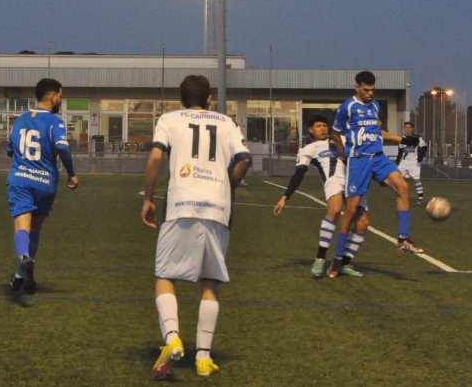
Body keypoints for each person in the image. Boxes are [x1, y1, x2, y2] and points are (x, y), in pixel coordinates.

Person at [141, 75, 251, 380]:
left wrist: (148, 198)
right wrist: (227, 187)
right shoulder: (226, 123)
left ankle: (173, 337)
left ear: (180, 99)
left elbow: (154, 157)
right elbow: (244, 160)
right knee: (210, 279)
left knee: (165, 275)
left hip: (180, 204)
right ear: (209, 99)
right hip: (218, 207)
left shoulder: (169, 119)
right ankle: (203, 357)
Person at [327, 71, 424, 278]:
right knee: (351, 211)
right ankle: (336, 260)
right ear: (357, 87)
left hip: (378, 157)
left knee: (403, 187)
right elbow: (335, 134)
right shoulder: (348, 107)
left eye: (372, 89)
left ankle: (403, 239)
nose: (370, 93)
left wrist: (402, 140)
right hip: (358, 160)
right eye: (366, 89)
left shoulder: (375, 106)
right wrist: (343, 155)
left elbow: (379, 132)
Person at [6, 78, 79, 295]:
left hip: (20, 180)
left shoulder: (21, 119)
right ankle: (21, 273)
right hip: (45, 183)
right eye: (60, 95)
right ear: (52, 95)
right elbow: (63, 148)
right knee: (35, 229)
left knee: (22, 227)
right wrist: (72, 174)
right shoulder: (55, 122)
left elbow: (10, 150)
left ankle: (23, 258)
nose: (60, 99)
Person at [273, 115, 369, 278]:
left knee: (363, 222)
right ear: (311, 130)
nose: (323, 128)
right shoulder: (310, 148)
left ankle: (344, 263)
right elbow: (299, 173)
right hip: (333, 181)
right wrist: (285, 197)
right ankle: (320, 258)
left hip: (354, 182)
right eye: (318, 126)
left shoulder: (343, 139)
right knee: (335, 209)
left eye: (325, 125)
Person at [396, 121, 428, 205]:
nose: (407, 129)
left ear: (412, 129)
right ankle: (400, 197)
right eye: (406, 127)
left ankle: (420, 200)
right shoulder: (402, 138)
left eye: (409, 127)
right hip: (403, 163)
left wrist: (420, 156)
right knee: (399, 180)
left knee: (417, 180)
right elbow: (400, 151)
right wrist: (397, 161)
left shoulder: (417, 138)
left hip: (414, 163)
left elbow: (424, 147)